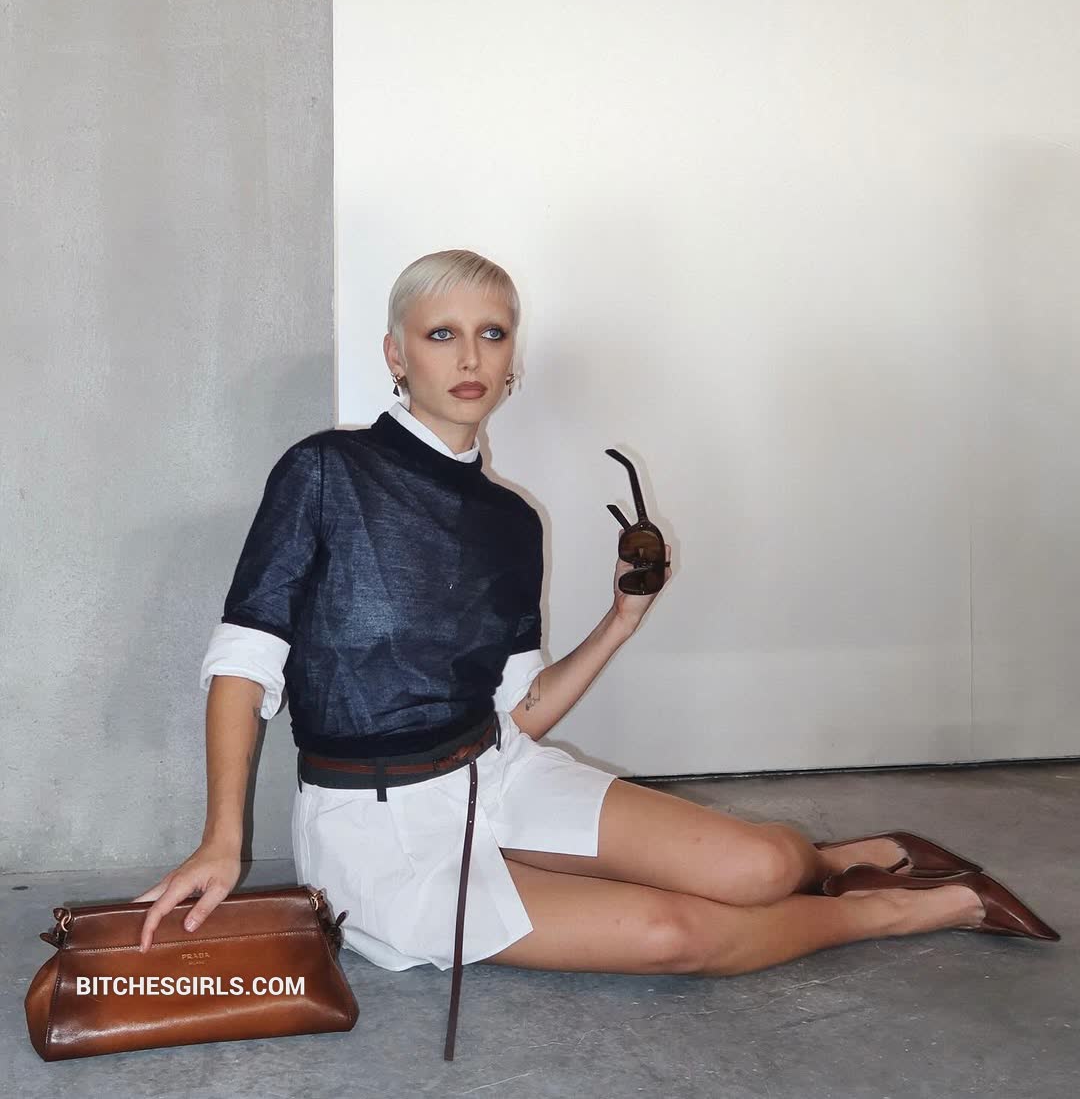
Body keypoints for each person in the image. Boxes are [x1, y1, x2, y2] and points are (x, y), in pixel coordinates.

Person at [134, 249, 1057, 1050]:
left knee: (765, 868)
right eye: (442, 334)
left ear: (513, 360)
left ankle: (842, 856)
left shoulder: (512, 523)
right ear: (396, 355)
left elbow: (521, 713)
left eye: (492, 335)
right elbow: (244, 662)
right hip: (376, 835)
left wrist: (620, 620)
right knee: (674, 935)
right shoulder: (325, 473)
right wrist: (222, 838)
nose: (470, 357)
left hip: (495, 776)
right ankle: (893, 909)